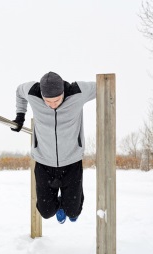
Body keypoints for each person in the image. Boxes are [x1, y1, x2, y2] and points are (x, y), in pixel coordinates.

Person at [11, 72, 96, 224]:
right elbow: (19, 91)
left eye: (56, 100)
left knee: (74, 212)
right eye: (47, 101)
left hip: (71, 161)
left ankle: (68, 205)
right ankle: (60, 206)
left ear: (63, 91)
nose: (52, 105)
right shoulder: (32, 92)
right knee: (46, 211)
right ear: (41, 95)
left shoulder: (78, 91)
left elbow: (103, 86)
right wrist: (20, 116)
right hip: (44, 162)